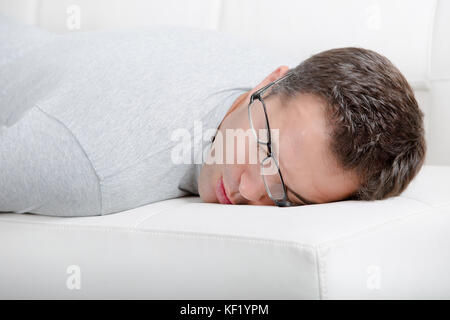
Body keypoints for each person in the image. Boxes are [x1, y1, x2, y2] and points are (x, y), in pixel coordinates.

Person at [0, 15, 425, 216]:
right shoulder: (89, 166)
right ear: (268, 82)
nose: (245, 188)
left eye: (285, 194)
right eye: (265, 148)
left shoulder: (285, 92)